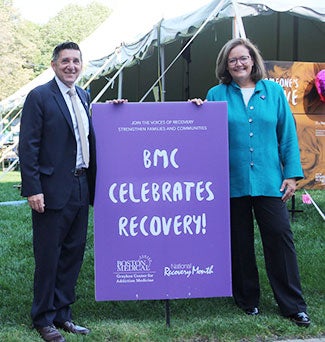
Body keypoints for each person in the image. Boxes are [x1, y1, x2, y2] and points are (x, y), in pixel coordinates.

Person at [191, 38, 310, 327]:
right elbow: (204, 134)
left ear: (253, 60)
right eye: (232, 60)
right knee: (239, 243)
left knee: (280, 239)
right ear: (226, 65)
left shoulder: (273, 92)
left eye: (243, 58)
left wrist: (292, 174)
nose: (239, 64)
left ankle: (293, 305)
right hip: (231, 182)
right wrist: (195, 111)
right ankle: (247, 300)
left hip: (270, 182)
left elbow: (287, 134)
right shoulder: (216, 94)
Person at [19, 42, 96, 342]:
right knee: (49, 256)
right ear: (53, 65)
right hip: (50, 191)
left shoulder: (84, 95)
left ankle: (63, 314)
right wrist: (33, 188)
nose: (71, 66)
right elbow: (28, 146)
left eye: (76, 61)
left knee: (73, 255)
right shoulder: (39, 97)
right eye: (65, 61)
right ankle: (43, 317)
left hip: (81, 185)